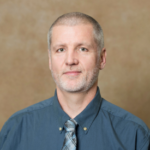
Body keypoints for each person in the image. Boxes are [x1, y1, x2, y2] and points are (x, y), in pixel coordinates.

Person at [0, 12, 149, 150]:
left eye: (82, 49)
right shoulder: (16, 129)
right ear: (50, 60)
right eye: (61, 50)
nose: (70, 60)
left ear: (102, 59)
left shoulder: (135, 135)